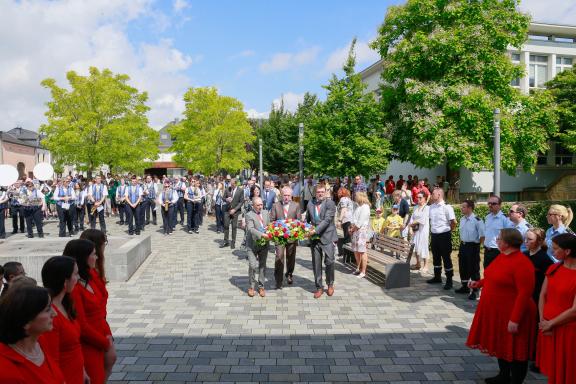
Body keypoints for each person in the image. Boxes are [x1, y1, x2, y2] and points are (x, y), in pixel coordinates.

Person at [466, 229, 537, 384]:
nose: (496, 241)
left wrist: (515, 319)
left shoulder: (522, 262)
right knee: (501, 344)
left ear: (507, 243)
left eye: (499, 239)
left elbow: (524, 293)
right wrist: (479, 283)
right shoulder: (502, 256)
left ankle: (516, 381)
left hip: (513, 313)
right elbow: (493, 276)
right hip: (498, 312)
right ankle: (504, 375)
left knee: (517, 350)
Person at [65, 239, 115, 384]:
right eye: (94, 254)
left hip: (99, 338)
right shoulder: (74, 288)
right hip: (89, 345)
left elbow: (100, 310)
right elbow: (82, 325)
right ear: (83, 257)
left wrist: (107, 335)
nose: (97, 257)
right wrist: (105, 343)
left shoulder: (88, 276)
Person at [0, 285, 65, 383]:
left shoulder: (40, 341)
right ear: (25, 322)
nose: (55, 313)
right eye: (47, 309)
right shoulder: (6, 370)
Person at [40, 256, 89, 384]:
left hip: (76, 373)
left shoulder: (66, 303)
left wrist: (82, 371)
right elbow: (52, 360)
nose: (78, 278)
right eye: (75, 274)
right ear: (64, 281)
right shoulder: (51, 316)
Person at [536, 233, 576, 384]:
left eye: (555, 249)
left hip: (568, 332)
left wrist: (550, 323)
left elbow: (575, 309)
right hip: (549, 328)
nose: (552, 252)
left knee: (568, 371)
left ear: (567, 251)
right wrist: (542, 320)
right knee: (553, 369)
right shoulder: (554, 268)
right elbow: (543, 295)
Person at [523, 227, 553, 374]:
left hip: (537, 297)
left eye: (530, 239)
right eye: (525, 239)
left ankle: (537, 357)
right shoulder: (524, 255)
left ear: (540, 242)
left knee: (536, 328)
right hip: (524, 297)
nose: (526, 242)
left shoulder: (545, 259)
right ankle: (527, 351)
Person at [305, 185, 338, 298]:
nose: (320, 194)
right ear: (315, 193)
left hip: (327, 237)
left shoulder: (330, 204)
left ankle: (330, 284)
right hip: (315, 240)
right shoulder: (310, 203)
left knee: (329, 262)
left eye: (322, 192)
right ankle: (319, 287)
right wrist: (303, 227)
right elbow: (307, 220)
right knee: (316, 264)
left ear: (325, 192)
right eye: (318, 192)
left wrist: (315, 230)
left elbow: (327, 220)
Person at [269, 186, 300, 289]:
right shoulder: (275, 205)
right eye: (284, 195)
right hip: (279, 237)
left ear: (291, 196)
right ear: (281, 195)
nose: (286, 197)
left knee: (291, 257)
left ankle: (289, 273)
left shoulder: (296, 205)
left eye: (288, 195)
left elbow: (299, 221)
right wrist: (275, 232)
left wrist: (296, 231)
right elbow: (272, 221)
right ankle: (278, 280)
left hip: (292, 236)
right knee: (279, 257)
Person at [427, 188, 457, 289]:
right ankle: (437, 277)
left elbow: (453, 222)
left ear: (439, 194)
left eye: (433, 193)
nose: (431, 195)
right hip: (434, 236)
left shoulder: (447, 207)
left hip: (444, 235)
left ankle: (449, 280)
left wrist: (448, 231)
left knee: (446, 258)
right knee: (436, 257)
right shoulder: (431, 207)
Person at [456, 200, 485, 300]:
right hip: (463, 245)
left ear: (469, 208)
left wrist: (477, 246)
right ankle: (465, 287)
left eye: (463, 207)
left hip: (473, 246)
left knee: (473, 269)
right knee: (463, 266)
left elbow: (482, 236)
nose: (461, 208)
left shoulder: (477, 220)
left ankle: (475, 290)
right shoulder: (462, 219)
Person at [245, 197, 270, 297]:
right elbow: (250, 229)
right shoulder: (249, 215)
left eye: (261, 205)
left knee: (262, 265)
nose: (260, 207)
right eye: (258, 205)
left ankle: (261, 286)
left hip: (264, 244)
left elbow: (269, 225)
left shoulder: (265, 213)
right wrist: (262, 234)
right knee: (252, 265)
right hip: (252, 244)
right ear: (253, 206)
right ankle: (251, 286)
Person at [484, 195, 510, 269]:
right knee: (487, 273)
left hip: (498, 251)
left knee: (498, 274)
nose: (490, 205)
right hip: (487, 250)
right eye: (489, 203)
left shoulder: (504, 218)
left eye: (493, 203)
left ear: (499, 205)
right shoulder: (487, 217)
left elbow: (508, 236)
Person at [407, 192, 430, 272]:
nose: (418, 199)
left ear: (424, 198)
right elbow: (412, 218)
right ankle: (418, 264)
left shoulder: (427, 208)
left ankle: (426, 265)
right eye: (417, 197)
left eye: (420, 197)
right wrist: (410, 228)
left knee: (424, 247)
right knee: (415, 246)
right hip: (415, 230)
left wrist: (411, 224)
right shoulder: (415, 207)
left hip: (423, 230)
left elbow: (422, 220)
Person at [221, 178, 244, 249]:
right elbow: (223, 198)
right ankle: (226, 241)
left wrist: (235, 209)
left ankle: (233, 242)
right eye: (230, 183)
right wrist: (226, 199)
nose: (231, 185)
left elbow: (241, 202)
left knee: (234, 227)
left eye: (232, 184)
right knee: (226, 225)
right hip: (227, 210)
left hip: (235, 211)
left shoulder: (240, 190)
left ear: (236, 183)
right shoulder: (228, 189)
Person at [337, 188, 354, 262]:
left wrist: (339, 220)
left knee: (347, 239)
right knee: (349, 238)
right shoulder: (348, 199)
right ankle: (349, 257)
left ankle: (348, 257)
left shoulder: (343, 199)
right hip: (350, 220)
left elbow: (343, 210)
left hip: (346, 220)